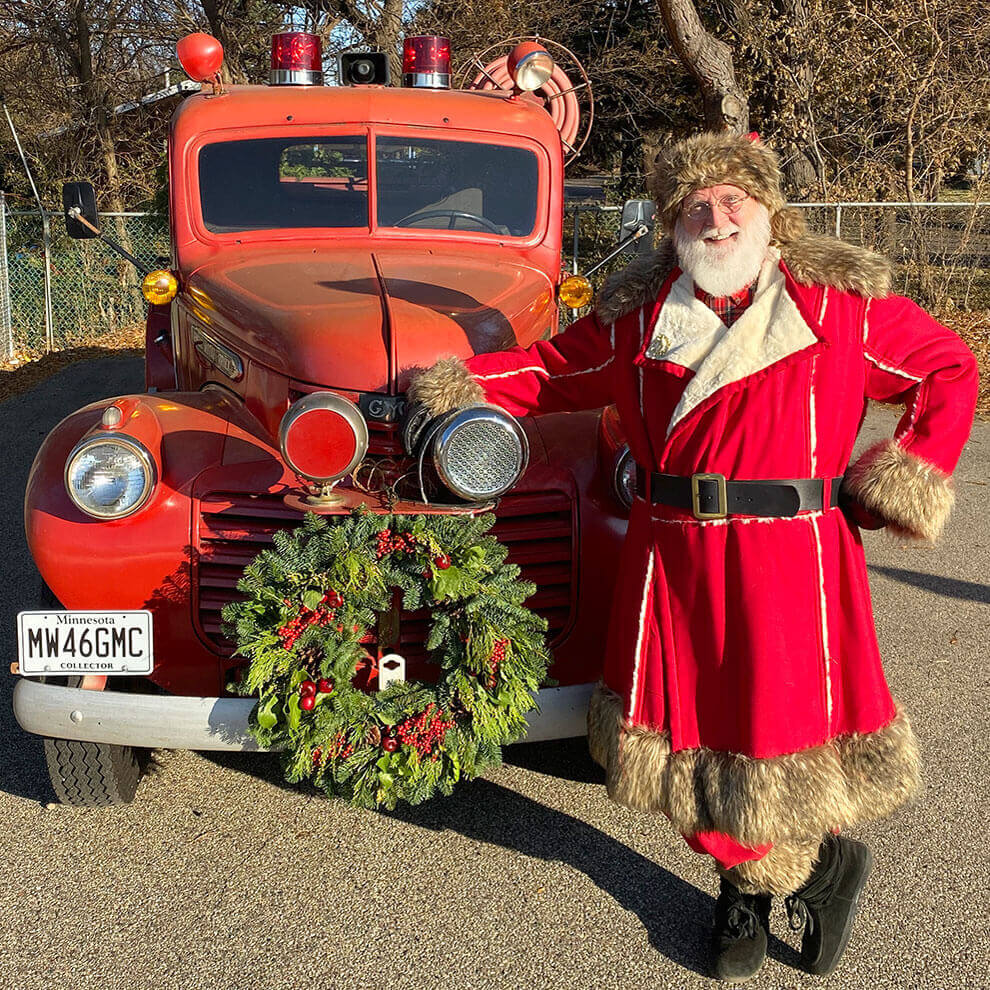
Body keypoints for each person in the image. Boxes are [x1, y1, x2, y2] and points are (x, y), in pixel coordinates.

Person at [408, 131, 978, 982]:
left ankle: (746, 889)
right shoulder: (637, 318)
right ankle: (810, 871)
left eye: (734, 200)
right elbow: (542, 374)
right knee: (681, 736)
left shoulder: (840, 307)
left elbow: (949, 370)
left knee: (774, 731)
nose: (717, 218)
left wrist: (892, 479)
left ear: (769, 212)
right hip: (670, 558)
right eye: (696, 206)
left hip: (794, 558)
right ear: (674, 224)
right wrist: (443, 381)